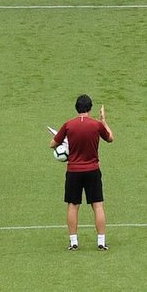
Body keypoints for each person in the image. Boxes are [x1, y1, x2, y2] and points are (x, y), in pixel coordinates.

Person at [52, 95, 113, 250]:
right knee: (97, 205)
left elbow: (52, 143)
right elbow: (110, 138)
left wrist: (65, 147)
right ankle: (101, 241)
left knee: (73, 205)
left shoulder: (68, 125)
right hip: (93, 170)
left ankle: (73, 242)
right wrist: (103, 120)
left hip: (73, 171)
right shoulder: (96, 125)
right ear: (90, 109)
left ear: (76, 108)